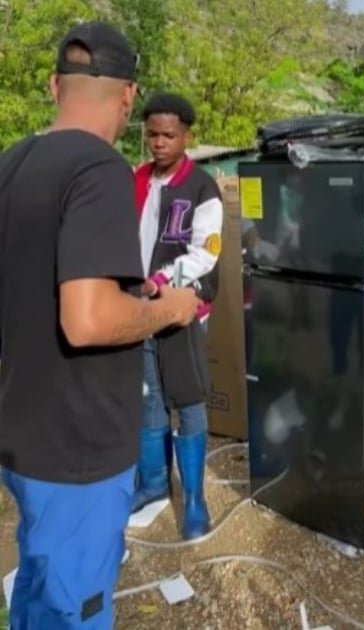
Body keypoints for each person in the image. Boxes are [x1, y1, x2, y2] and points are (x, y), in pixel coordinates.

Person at [0, 22, 202, 629]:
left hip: (22, 436)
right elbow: (86, 321)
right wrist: (169, 308)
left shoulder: (11, 164)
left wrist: (121, 289)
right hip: (78, 451)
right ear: (128, 97)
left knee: (36, 585)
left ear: (54, 84)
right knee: (74, 608)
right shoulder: (102, 169)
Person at [129, 92, 224, 542]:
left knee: (186, 401)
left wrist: (159, 282)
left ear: (187, 136)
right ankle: (151, 485)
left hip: (181, 307)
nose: (159, 143)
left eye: (169, 135)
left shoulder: (202, 186)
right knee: (147, 399)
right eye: (152, 134)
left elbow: (205, 253)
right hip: (138, 307)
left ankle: (195, 500)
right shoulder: (137, 179)